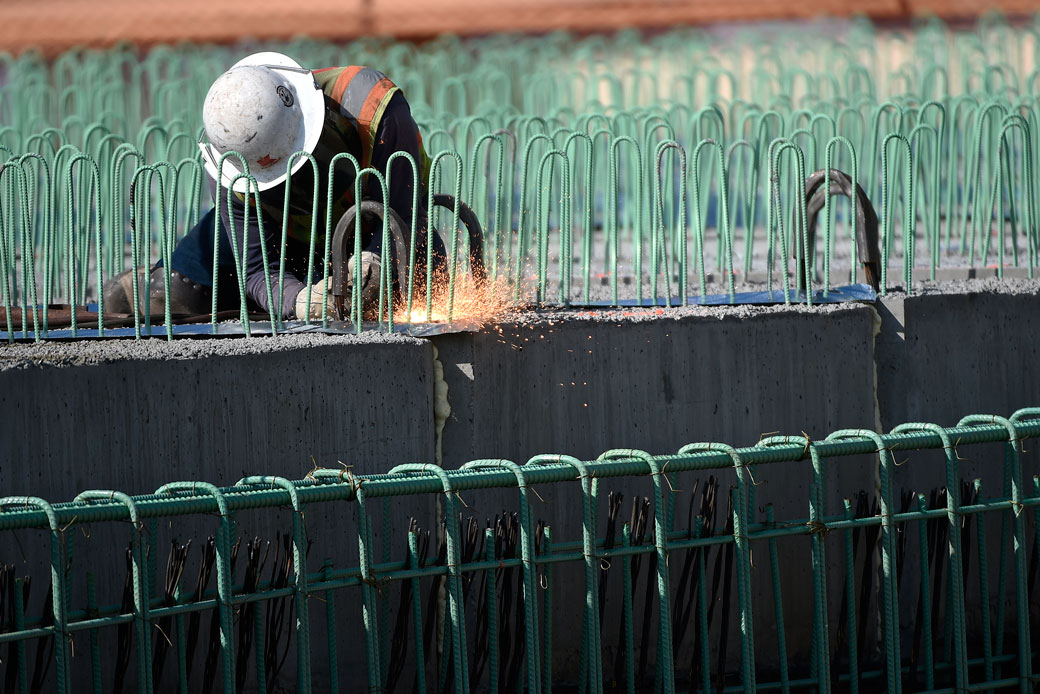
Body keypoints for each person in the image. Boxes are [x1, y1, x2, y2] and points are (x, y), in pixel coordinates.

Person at [104, 51, 445, 320]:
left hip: (388, 230)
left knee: (418, 287)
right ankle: (152, 281)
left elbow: (405, 207)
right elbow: (255, 268)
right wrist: (297, 301)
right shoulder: (228, 162)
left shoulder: (371, 104)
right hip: (291, 245)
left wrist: (374, 256)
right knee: (175, 292)